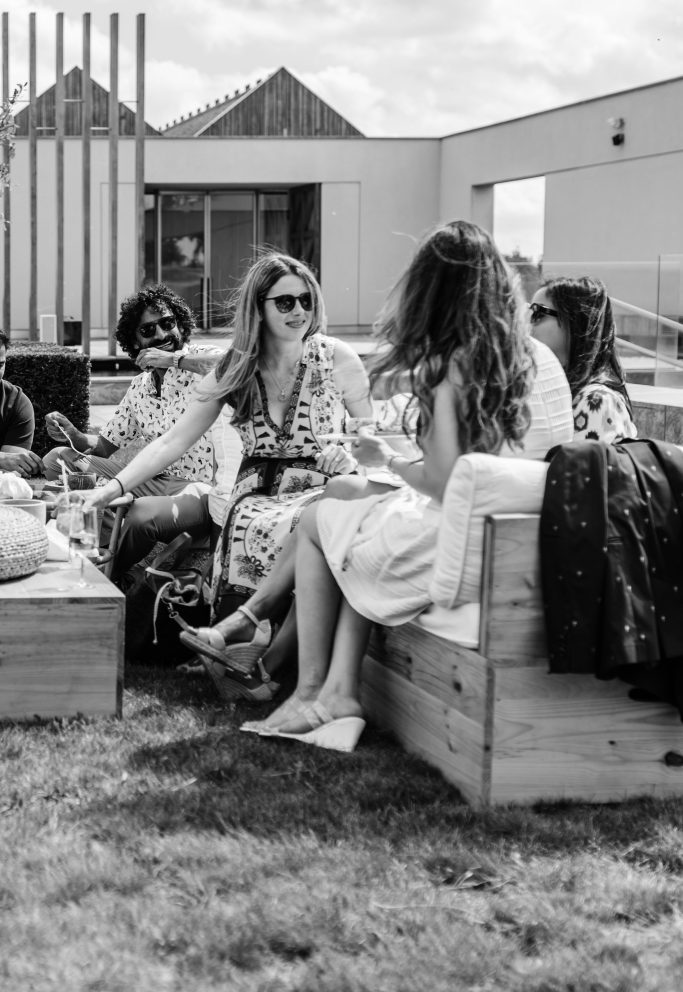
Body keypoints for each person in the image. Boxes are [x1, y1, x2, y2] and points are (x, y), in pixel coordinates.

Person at [241, 220, 562, 751]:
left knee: (322, 519)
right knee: (349, 512)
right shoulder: (539, 359)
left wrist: (389, 457)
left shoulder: (451, 365)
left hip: (451, 544)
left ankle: (317, 690)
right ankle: (331, 690)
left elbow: (441, 482)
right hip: (524, 538)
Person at [85, 252, 375, 671]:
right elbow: (172, 441)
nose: (299, 311)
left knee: (304, 520)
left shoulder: (338, 358)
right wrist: (112, 489)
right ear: (258, 307)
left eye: (306, 300)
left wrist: (349, 450)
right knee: (246, 519)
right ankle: (250, 652)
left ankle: (251, 648)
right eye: (285, 302)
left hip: (319, 486)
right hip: (253, 490)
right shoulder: (236, 368)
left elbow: (370, 432)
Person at [42, 283, 224, 570]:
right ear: (135, 342)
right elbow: (103, 448)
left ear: (180, 323)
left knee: (141, 515)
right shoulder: (140, 386)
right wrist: (71, 433)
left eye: (167, 323)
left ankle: (108, 572)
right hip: (150, 477)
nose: (162, 334)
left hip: (198, 487)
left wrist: (173, 359)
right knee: (59, 460)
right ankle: (100, 537)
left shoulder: (201, 360)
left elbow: (233, 364)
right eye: (148, 330)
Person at [529, 276, 637, 443]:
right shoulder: (557, 389)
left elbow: (579, 469)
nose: (529, 325)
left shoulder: (595, 401)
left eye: (537, 314)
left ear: (575, 322)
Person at [0, 327, 42, 477]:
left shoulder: (17, 403)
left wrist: (5, 460)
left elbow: (10, 470)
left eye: (0, 365)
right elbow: (5, 460)